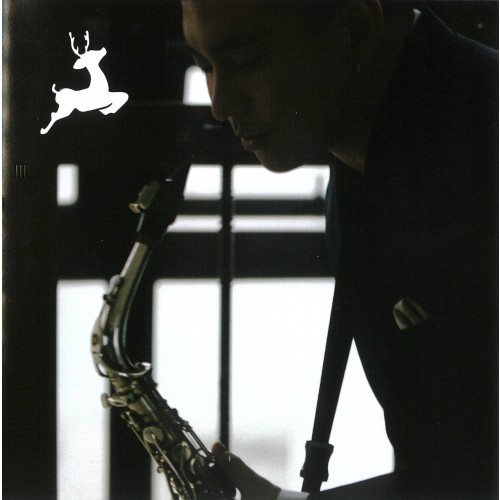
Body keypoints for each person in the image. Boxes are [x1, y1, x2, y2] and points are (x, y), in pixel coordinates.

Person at [181, 0, 498, 498]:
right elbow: (450, 463)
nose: (220, 105)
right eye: (205, 66)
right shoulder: (359, 163)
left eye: (246, 61)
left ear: (356, 28)